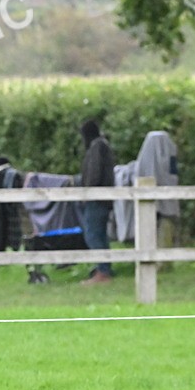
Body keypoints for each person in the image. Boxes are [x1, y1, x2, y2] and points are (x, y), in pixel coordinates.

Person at [79, 119, 116, 285]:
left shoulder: (96, 147)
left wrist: (87, 192)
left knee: (93, 234)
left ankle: (103, 271)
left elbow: (94, 173)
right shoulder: (103, 145)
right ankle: (104, 268)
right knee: (100, 234)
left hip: (96, 198)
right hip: (104, 198)